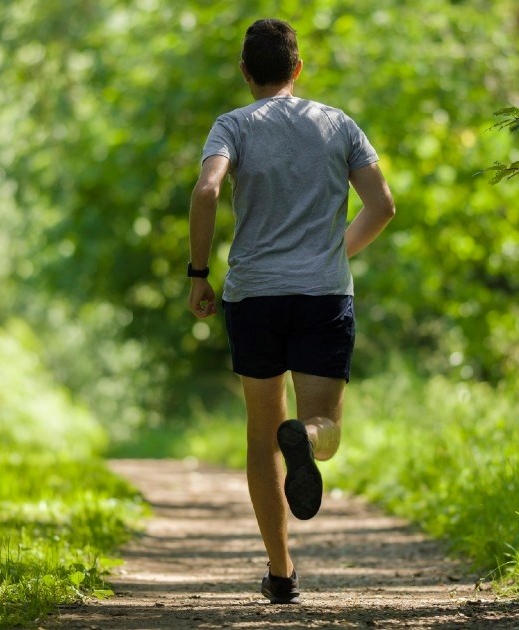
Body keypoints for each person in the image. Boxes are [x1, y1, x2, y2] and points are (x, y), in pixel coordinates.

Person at [186, 18, 395, 605]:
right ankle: (303, 435)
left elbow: (206, 191)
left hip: (253, 295)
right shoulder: (336, 124)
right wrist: (336, 251)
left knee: (259, 435)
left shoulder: (232, 126)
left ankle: (281, 573)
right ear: (297, 69)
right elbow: (382, 205)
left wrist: (198, 274)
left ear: (246, 72)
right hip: (323, 294)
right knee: (322, 428)